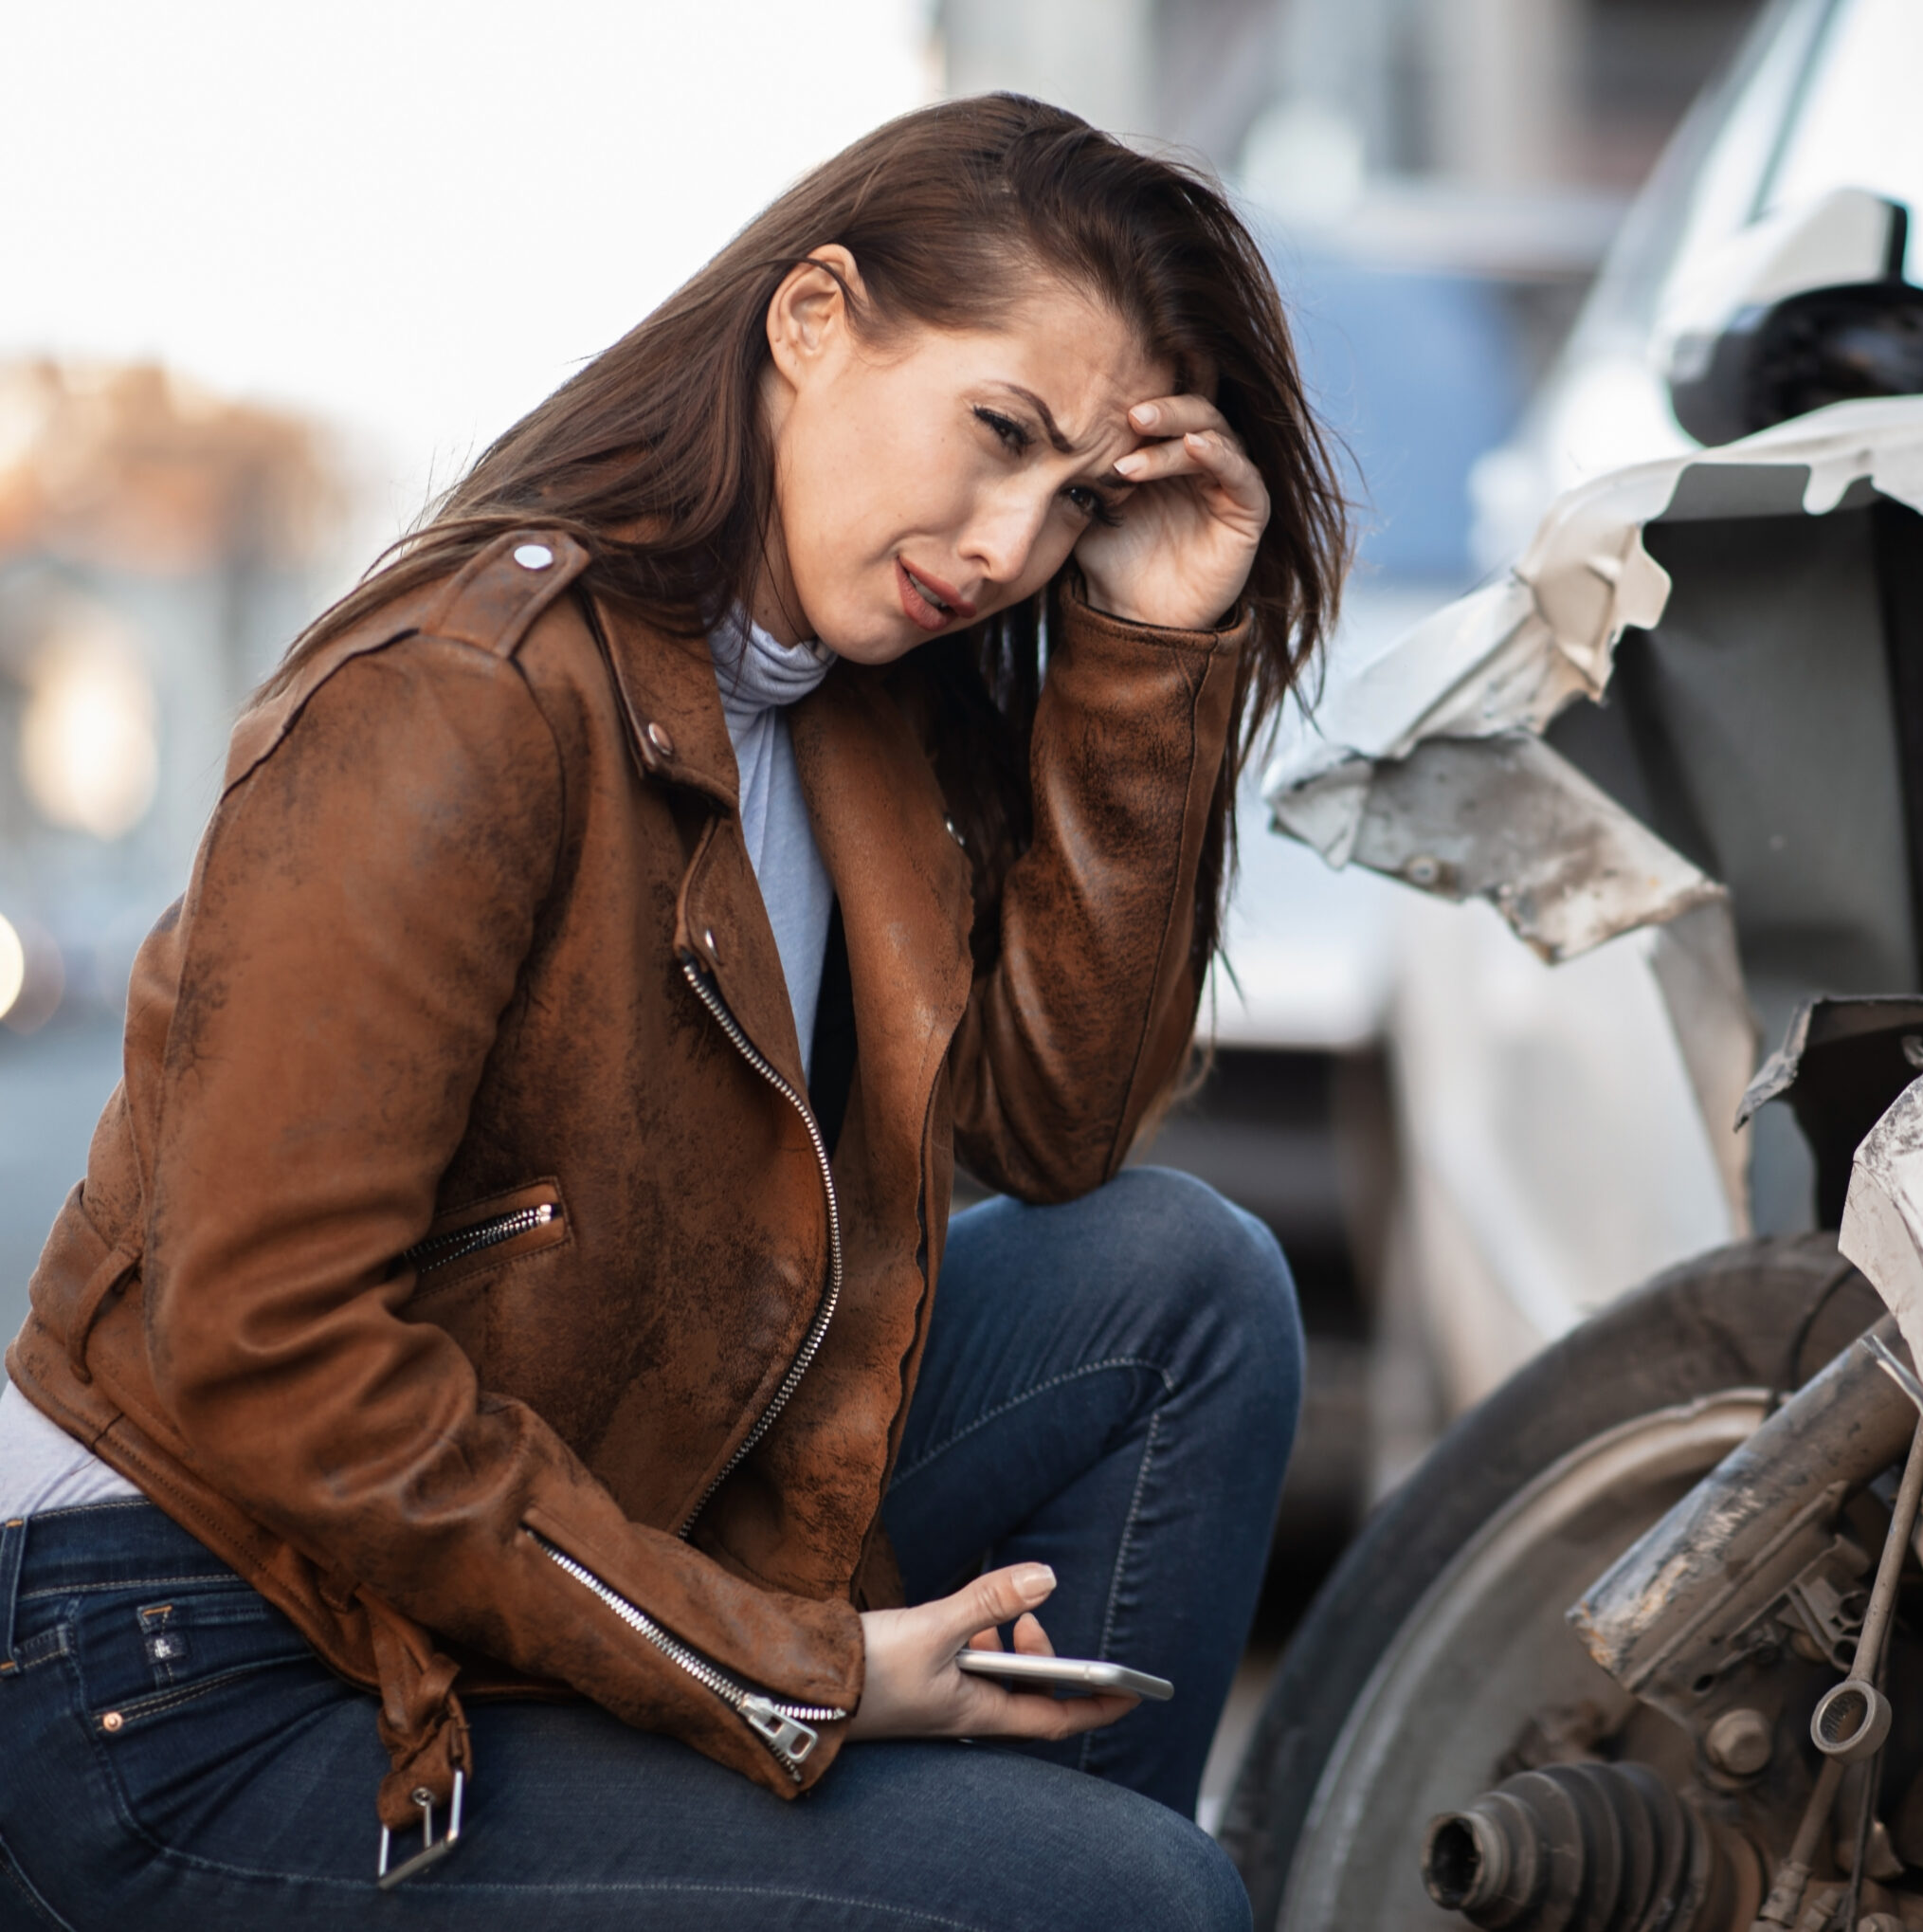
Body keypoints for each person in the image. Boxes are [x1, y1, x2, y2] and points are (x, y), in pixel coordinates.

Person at [0, 94, 1345, 1929]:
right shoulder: (463, 692)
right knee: (1130, 1900)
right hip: (185, 1661)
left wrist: (1146, 656)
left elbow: (1056, 1135)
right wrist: (800, 1664)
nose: (1015, 540)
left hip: (525, 1546)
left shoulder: (864, 706)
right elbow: (267, 1346)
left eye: (1079, 500)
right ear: (812, 321)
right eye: (999, 434)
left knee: (1174, 1282)